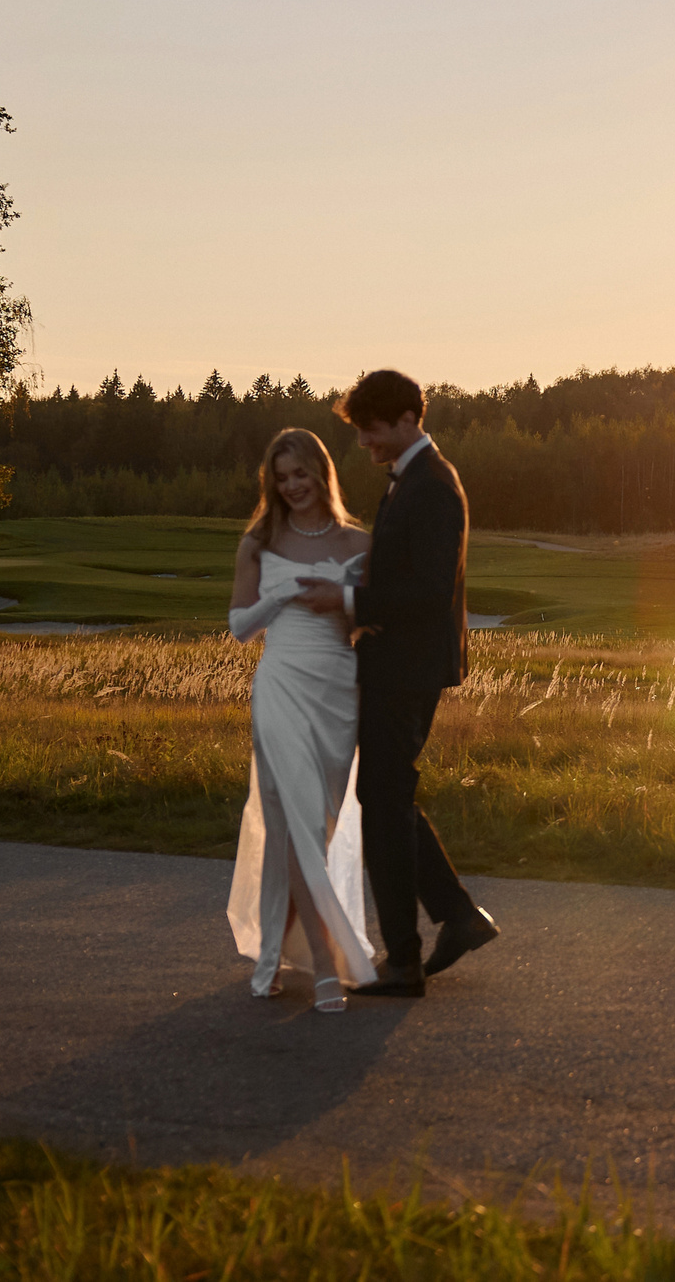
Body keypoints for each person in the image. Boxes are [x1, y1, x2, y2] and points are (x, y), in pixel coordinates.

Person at [298, 369, 497, 996]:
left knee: (382, 802)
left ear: (407, 419)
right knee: (388, 797)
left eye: (371, 430)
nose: (363, 443)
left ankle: (405, 959)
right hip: (397, 662)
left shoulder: (432, 486)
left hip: (408, 667)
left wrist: (350, 601)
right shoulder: (413, 480)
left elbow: (428, 591)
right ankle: (457, 916)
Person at [225, 427, 380, 1013]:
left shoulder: (359, 542)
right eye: (281, 477)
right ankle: (323, 963)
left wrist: (340, 599)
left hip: (340, 688)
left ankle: (269, 956)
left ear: (322, 474)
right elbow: (240, 627)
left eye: (300, 474)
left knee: (313, 827)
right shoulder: (258, 544)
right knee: (296, 816)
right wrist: (283, 595)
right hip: (281, 683)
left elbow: (372, 619)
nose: (291, 486)